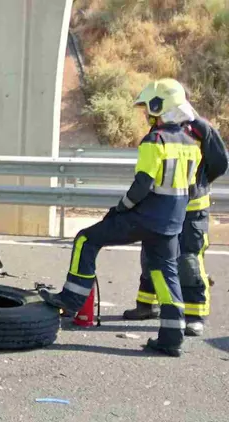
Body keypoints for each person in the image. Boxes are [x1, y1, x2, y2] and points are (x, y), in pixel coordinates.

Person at [39, 79, 203, 357]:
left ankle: (72, 298)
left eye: (148, 108)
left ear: (158, 106)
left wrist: (121, 208)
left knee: (86, 239)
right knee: (166, 274)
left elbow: (143, 184)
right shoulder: (191, 142)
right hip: (172, 220)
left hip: (145, 215)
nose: (146, 114)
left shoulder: (155, 140)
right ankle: (172, 337)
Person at [124, 101, 228, 336]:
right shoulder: (160, 130)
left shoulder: (200, 129)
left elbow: (220, 164)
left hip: (192, 208)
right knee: (152, 254)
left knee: (188, 260)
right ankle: (146, 305)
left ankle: (194, 315)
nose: (148, 114)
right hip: (163, 206)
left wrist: (199, 184)